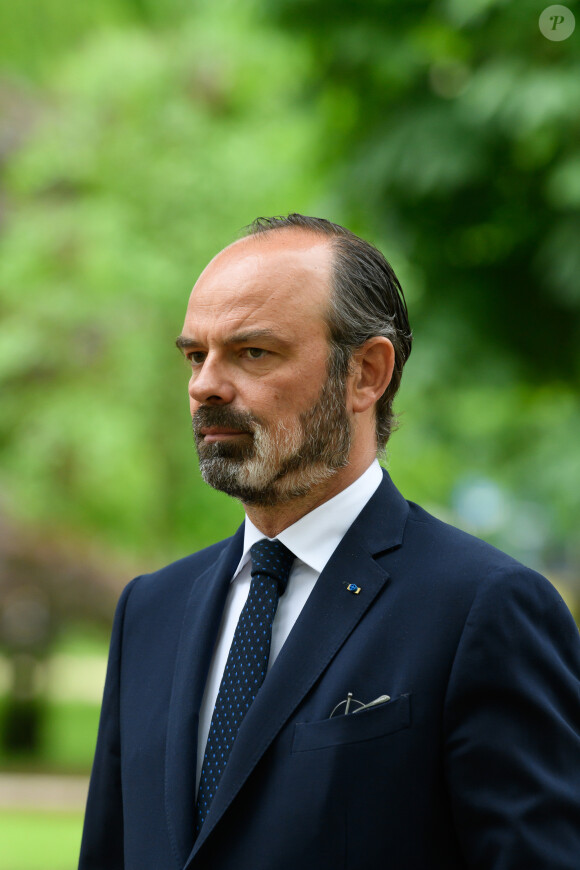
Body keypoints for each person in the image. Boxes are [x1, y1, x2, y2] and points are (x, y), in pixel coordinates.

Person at [79, 214, 580, 870]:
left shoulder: (485, 610)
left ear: (366, 374)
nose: (205, 385)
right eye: (196, 356)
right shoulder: (149, 611)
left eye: (253, 351)